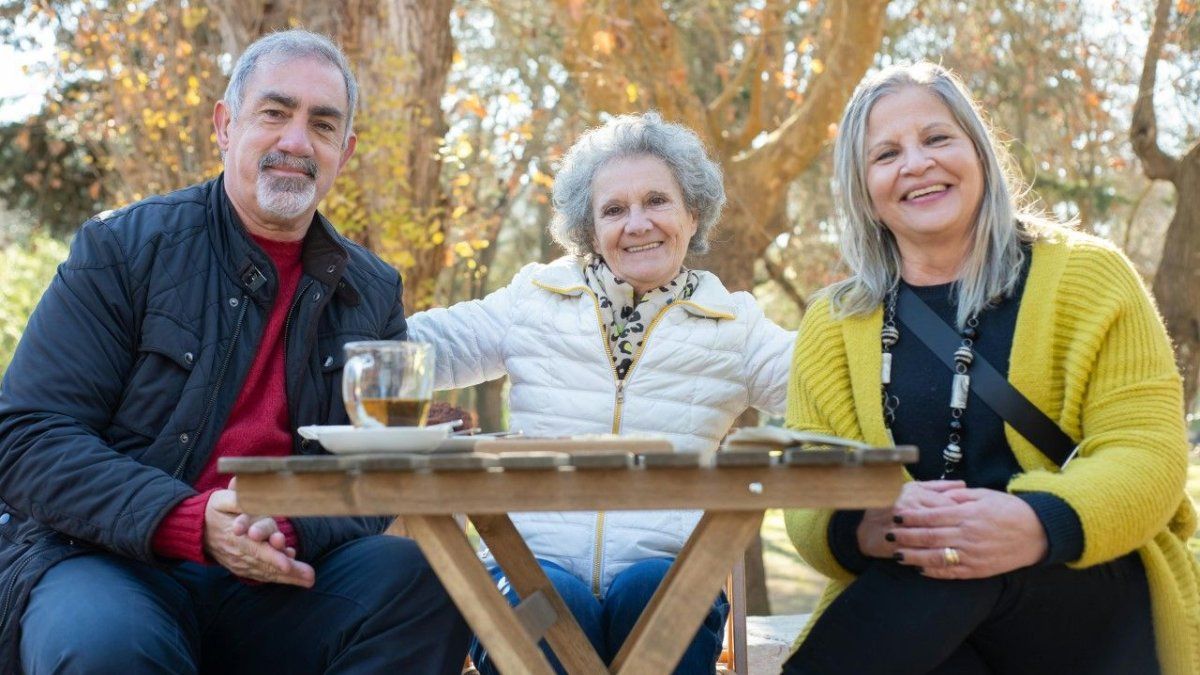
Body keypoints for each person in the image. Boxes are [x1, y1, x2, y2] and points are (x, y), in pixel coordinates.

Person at [0, 30, 469, 674]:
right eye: (274, 113)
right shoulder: (124, 250)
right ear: (225, 126)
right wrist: (189, 520)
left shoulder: (372, 288)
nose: (296, 142)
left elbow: (376, 469)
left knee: (425, 580)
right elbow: (28, 435)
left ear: (345, 151)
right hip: (113, 558)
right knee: (107, 645)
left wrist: (289, 526)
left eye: (322, 125)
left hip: (281, 571)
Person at [781, 62, 1199, 675]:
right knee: (939, 567)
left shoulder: (1090, 276)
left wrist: (1029, 522)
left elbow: (1147, 453)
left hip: (1084, 597)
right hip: (925, 612)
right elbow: (809, 479)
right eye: (886, 154)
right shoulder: (836, 321)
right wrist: (872, 526)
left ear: (979, 151)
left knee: (949, 559)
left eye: (937, 138)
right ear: (861, 187)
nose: (917, 163)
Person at [406, 111, 795, 673]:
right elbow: (419, 348)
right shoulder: (534, 299)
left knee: (652, 591)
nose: (637, 223)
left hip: (671, 575)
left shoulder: (734, 325)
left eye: (657, 201)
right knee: (548, 602)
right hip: (526, 564)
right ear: (589, 229)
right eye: (614, 209)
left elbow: (824, 385)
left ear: (692, 213)